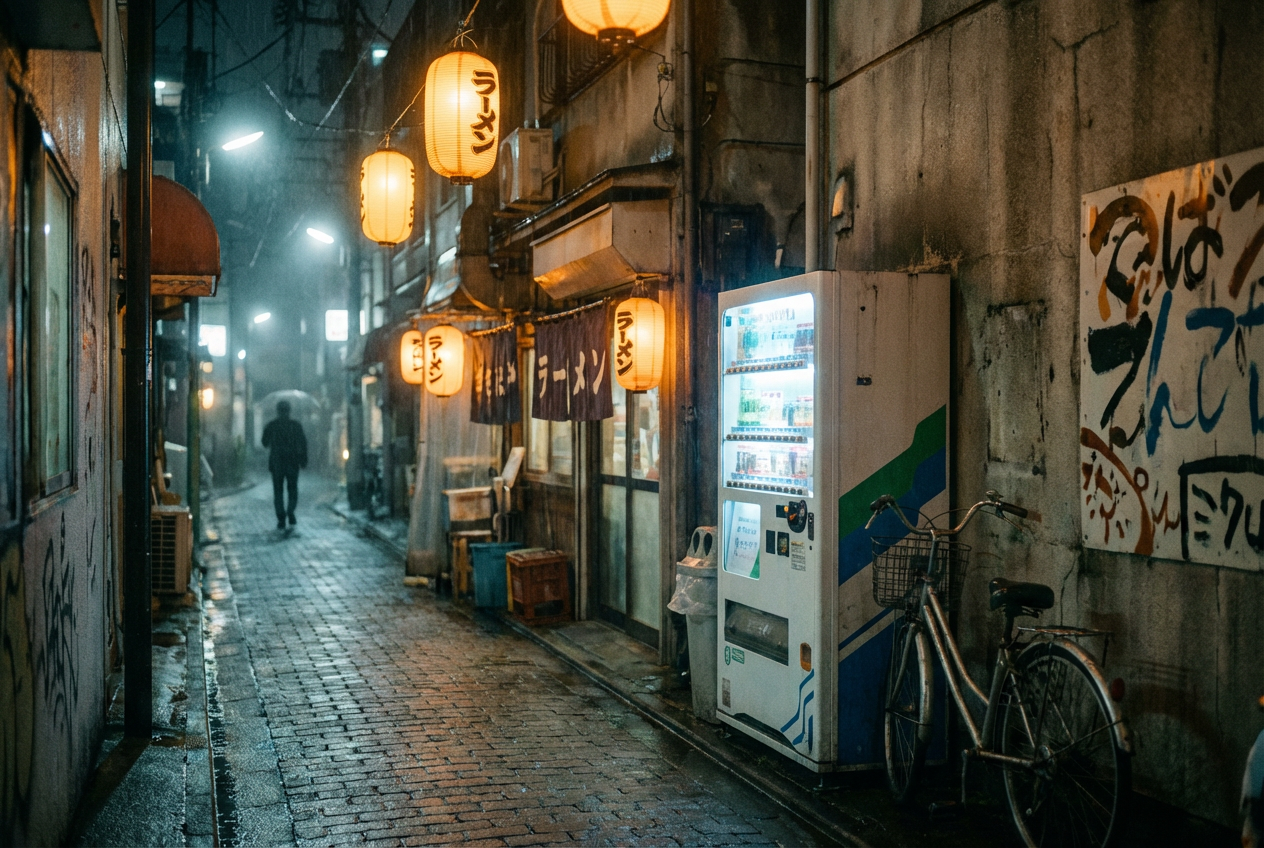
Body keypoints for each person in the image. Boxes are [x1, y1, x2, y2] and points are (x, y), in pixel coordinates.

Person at [261, 400, 307, 530]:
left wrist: (274, 442)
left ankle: (281, 517)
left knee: (278, 491)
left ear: (278, 411)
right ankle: (290, 511)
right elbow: (303, 443)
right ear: (289, 411)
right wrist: (303, 459)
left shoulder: (272, 425)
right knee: (292, 489)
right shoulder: (296, 426)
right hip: (292, 462)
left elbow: (264, 442)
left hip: (277, 463)